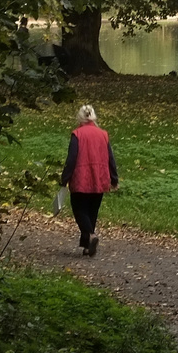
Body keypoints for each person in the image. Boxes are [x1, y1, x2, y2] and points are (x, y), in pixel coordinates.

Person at [61, 104, 118, 257]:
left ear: (79, 117)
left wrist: (64, 178)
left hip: (81, 177)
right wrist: (114, 178)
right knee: (92, 211)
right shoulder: (103, 134)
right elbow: (110, 158)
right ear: (93, 116)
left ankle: (91, 236)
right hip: (100, 177)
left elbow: (71, 159)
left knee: (79, 209)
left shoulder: (77, 134)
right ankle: (87, 246)